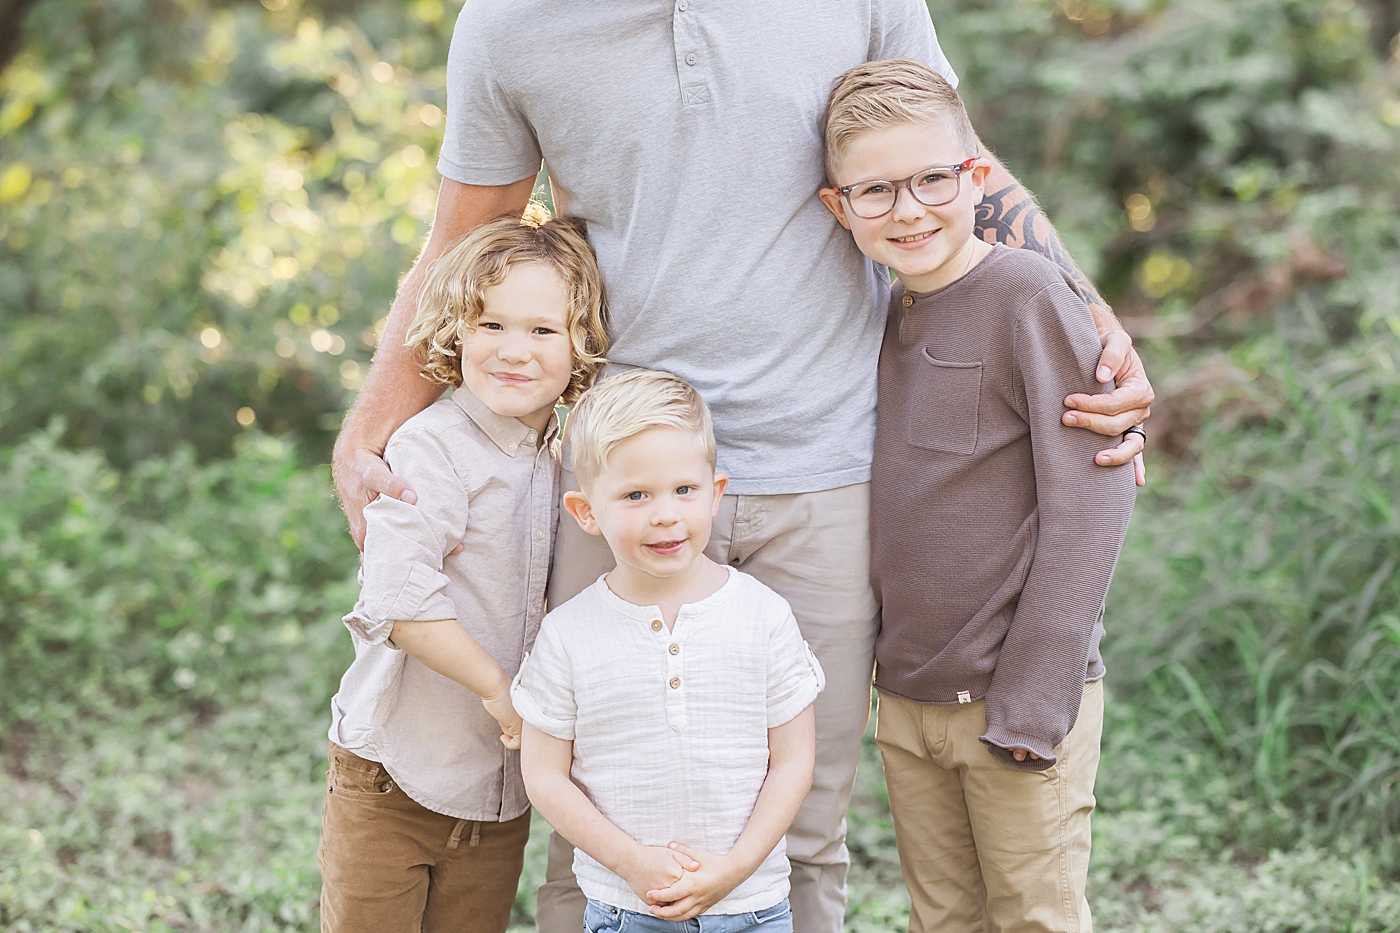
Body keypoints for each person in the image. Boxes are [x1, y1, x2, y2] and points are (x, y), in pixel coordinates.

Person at [331, 5, 1155, 931]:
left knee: (804, 823)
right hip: (623, 476)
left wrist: (1090, 316)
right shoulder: (510, 23)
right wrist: (371, 422)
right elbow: (464, 235)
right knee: (595, 814)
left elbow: (943, 151)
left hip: (831, 467)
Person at [817, 60, 1137, 932]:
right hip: (912, 695)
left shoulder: (1030, 296)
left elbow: (1094, 499)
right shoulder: (879, 315)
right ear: (838, 206)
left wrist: (1037, 695)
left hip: (1016, 696)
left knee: (1033, 916)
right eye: (876, 191)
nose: (910, 209)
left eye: (931, 179)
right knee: (943, 918)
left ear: (975, 177)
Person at [317, 206, 609, 933]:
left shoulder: (567, 457)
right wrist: (500, 690)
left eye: (543, 330)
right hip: (393, 778)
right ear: (456, 331)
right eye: (491, 325)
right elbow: (401, 598)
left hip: (497, 792)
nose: (515, 350)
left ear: (581, 344)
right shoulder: (432, 448)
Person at [513, 369, 824, 933]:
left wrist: (734, 868)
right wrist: (633, 863)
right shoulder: (568, 634)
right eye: (636, 495)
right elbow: (544, 777)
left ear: (716, 493)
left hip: (753, 907)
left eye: (684, 490)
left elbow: (794, 761)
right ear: (586, 512)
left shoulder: (764, 615)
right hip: (627, 909)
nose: (665, 514)